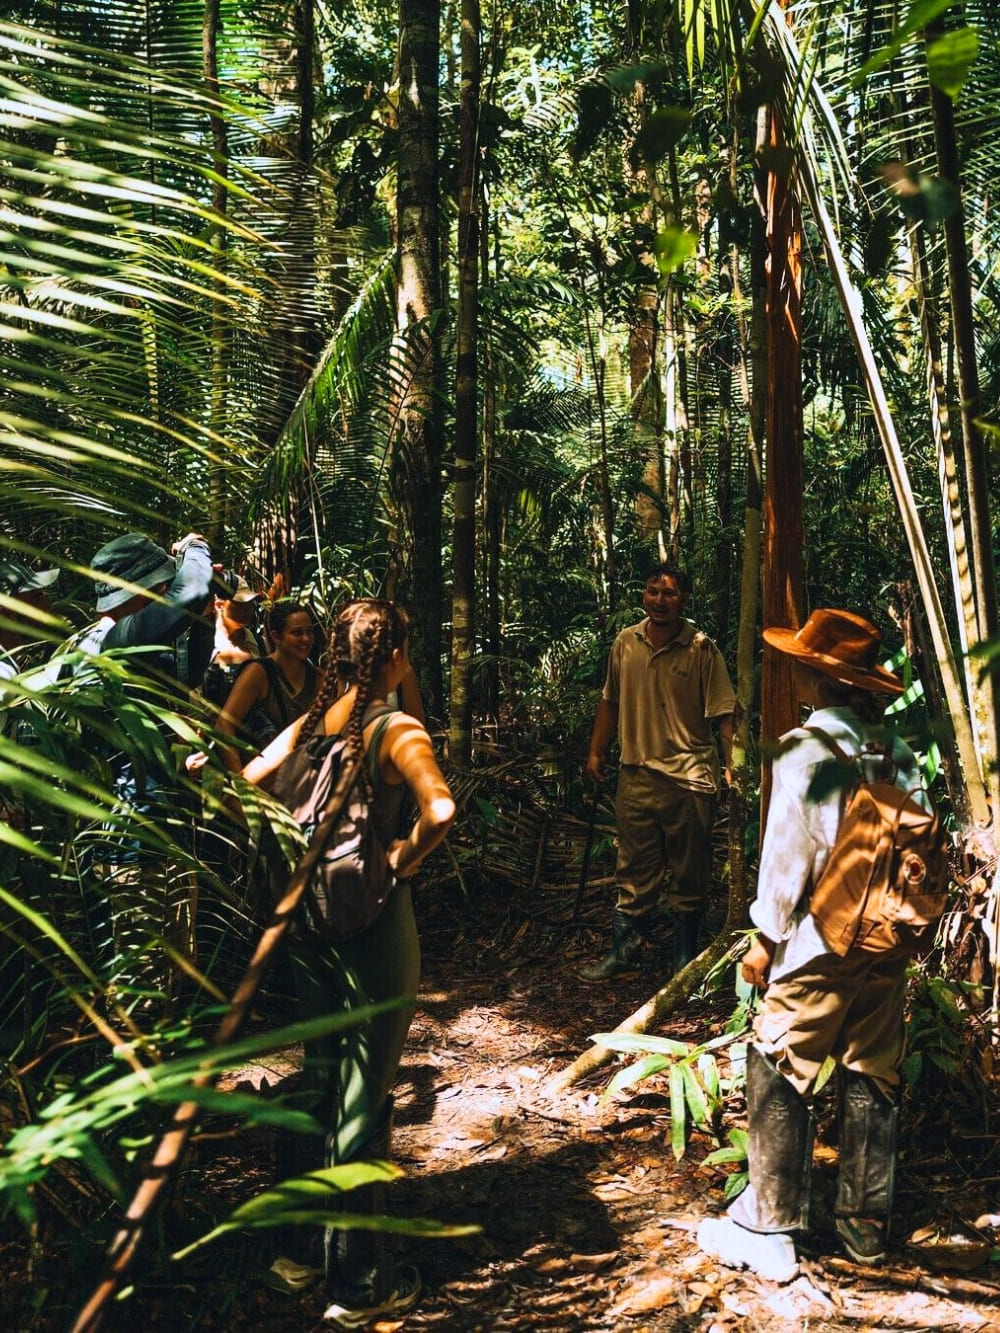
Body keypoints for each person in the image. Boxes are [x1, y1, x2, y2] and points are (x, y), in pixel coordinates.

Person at [698, 608, 930, 1282]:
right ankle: (864, 1229)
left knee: (776, 1057)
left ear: (814, 676)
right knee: (873, 1067)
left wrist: (764, 941)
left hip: (821, 938)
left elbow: (786, 857)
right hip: (888, 936)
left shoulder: (805, 749)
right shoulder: (899, 751)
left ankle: (769, 1226)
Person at [243, 598, 455, 1327]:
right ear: (395, 657)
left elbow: (246, 781)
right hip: (371, 926)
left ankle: (292, 1250)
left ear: (334, 653)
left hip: (307, 924)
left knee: (321, 1079)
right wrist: (402, 855)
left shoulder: (306, 726)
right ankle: (357, 1285)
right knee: (365, 1096)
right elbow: (442, 809)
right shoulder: (394, 727)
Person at [77, 530, 215, 1001]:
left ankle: (169, 1071)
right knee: (139, 988)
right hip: (129, 845)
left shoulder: (137, 645)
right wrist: (196, 551)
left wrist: (203, 622)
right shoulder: (111, 640)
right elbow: (192, 591)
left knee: (174, 977)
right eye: (160, 589)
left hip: (162, 836)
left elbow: (189, 671)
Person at [581, 561, 735, 981]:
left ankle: (684, 957)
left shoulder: (702, 648)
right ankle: (624, 953)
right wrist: (597, 752)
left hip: (689, 778)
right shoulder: (625, 642)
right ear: (643, 595)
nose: (660, 600)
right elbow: (610, 700)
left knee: (690, 870)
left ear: (684, 599)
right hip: (637, 774)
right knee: (633, 868)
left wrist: (732, 767)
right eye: (652, 592)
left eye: (669, 593)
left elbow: (724, 714)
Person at [214, 599, 320, 766]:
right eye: (297, 633)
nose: (306, 639)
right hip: (261, 774)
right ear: (276, 636)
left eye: (310, 632)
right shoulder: (259, 673)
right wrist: (240, 781)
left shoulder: (317, 677)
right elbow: (224, 724)